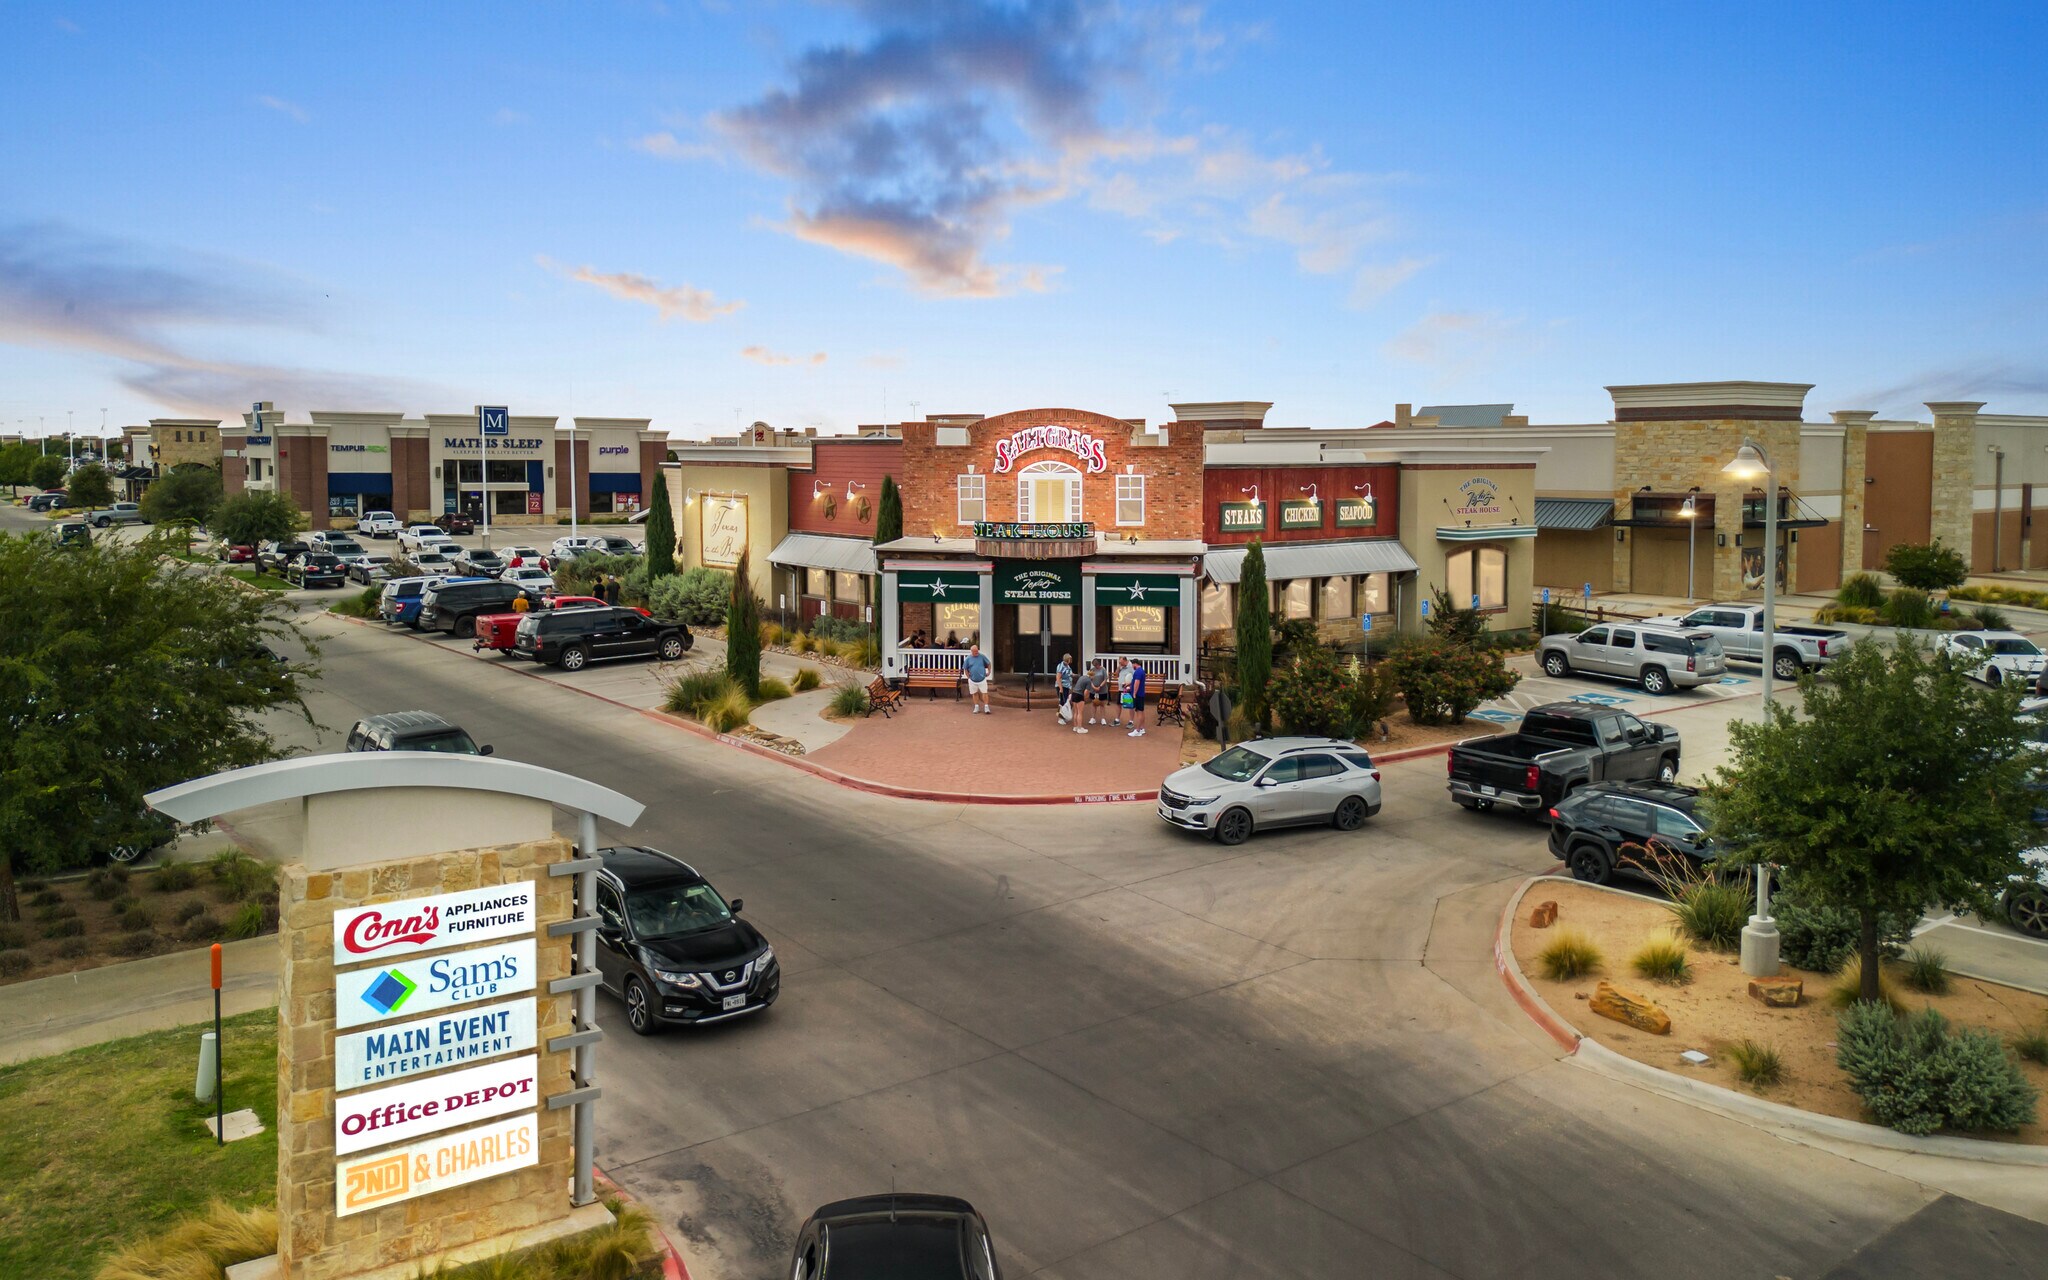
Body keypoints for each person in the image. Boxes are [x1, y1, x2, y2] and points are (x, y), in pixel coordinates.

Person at [963, 643, 992, 714]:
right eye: (975, 652)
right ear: (971, 651)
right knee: (974, 693)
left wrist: (989, 671)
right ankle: (976, 707)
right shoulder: (968, 659)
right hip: (972, 679)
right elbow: (965, 668)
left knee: (984, 693)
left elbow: (988, 663)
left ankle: (986, 707)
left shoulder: (982, 656)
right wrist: (968, 677)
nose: (977, 653)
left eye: (977, 651)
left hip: (982, 678)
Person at [1079, 660, 1108, 725]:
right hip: (1093, 689)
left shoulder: (1103, 669)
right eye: (1094, 665)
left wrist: (1100, 686)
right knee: (1093, 703)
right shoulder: (1092, 670)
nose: (1096, 666)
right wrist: (1094, 687)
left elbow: (1105, 679)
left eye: (1096, 665)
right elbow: (1089, 679)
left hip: (1102, 689)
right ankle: (1093, 718)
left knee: (1102, 704)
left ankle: (1103, 719)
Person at [1056, 652, 1078, 729]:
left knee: (1066, 702)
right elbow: (1058, 678)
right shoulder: (1060, 666)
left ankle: (1064, 716)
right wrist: (1061, 688)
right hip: (1062, 686)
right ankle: (1060, 718)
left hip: (1067, 686)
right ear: (1067, 659)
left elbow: (1070, 674)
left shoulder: (1068, 666)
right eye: (1070, 659)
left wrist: (1074, 675)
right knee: (1062, 702)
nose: (1071, 660)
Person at [1126, 661, 1148, 737]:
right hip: (1141, 694)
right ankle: (1142, 728)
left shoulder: (1138, 672)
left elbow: (1137, 682)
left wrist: (1134, 692)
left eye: (1132, 664)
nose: (1132, 666)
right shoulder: (1141, 671)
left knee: (1139, 712)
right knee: (1141, 711)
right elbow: (1134, 682)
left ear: (1135, 663)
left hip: (1138, 694)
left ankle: (1137, 730)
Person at [1111, 657, 1134, 729]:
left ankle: (1131, 721)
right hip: (1120, 689)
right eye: (1119, 662)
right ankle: (1117, 720)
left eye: (1121, 662)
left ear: (1125, 660)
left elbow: (1135, 678)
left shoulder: (1131, 667)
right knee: (1118, 704)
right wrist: (1118, 667)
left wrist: (1129, 684)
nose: (1120, 664)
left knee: (1130, 705)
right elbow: (1116, 675)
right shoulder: (1121, 667)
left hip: (1128, 689)